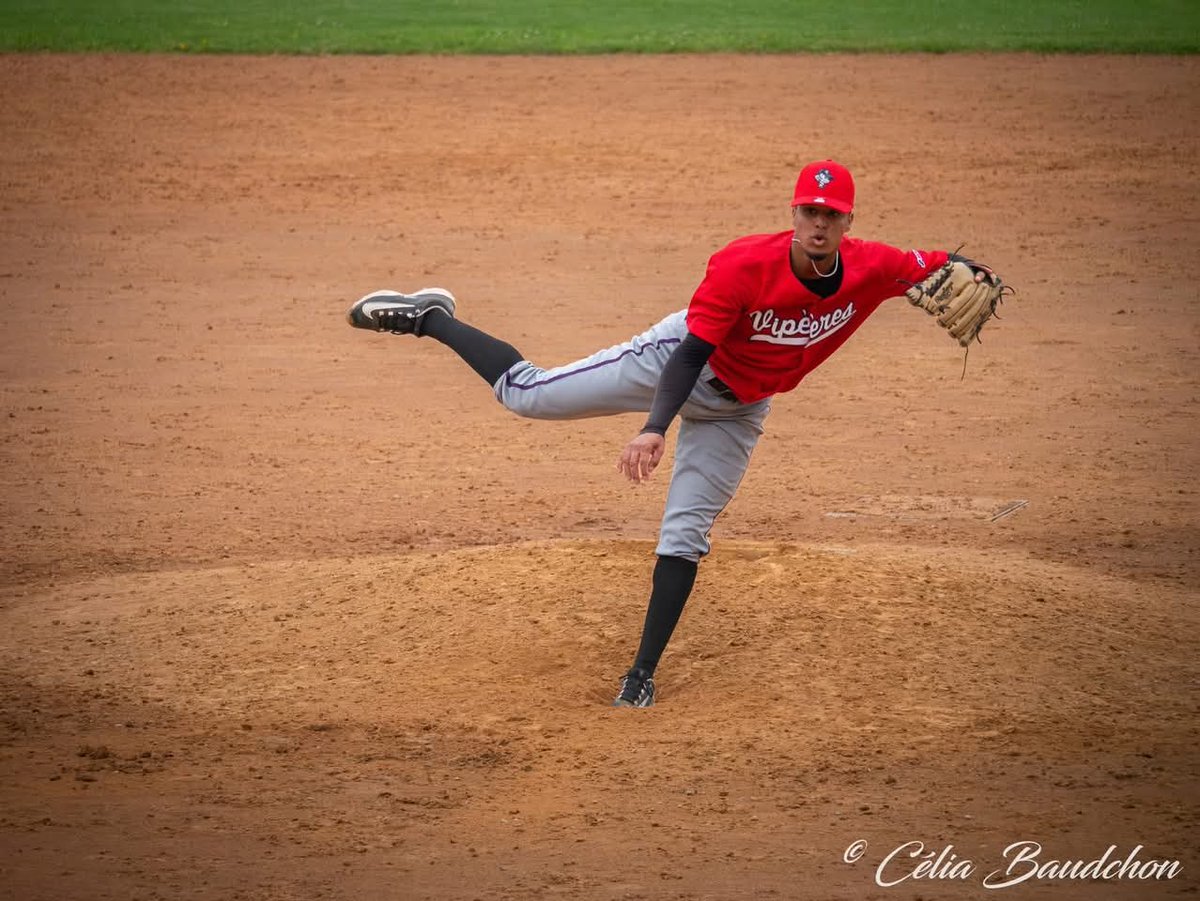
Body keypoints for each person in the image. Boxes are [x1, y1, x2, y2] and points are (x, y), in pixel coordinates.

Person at [346, 159, 998, 708]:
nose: (820, 224)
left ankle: (639, 676)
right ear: (793, 215)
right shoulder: (744, 265)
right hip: (673, 362)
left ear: (849, 221)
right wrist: (654, 428)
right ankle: (430, 317)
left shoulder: (874, 267)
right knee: (527, 396)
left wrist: (980, 273)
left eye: (832, 214)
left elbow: (941, 264)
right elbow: (689, 355)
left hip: (742, 408)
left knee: (685, 533)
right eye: (809, 212)